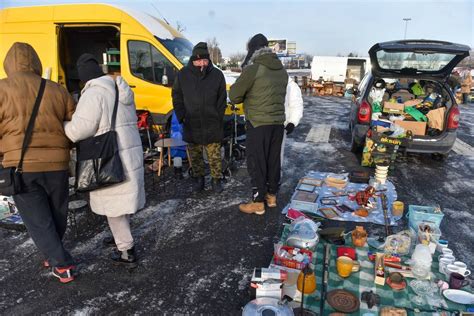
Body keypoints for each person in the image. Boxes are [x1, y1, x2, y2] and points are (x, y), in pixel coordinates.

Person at [0, 42, 76, 283]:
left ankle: (62, 265)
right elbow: (73, 124)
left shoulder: (1, 89)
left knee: (37, 219)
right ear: (36, 62)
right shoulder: (56, 89)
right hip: (57, 164)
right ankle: (53, 253)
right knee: (57, 213)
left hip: (20, 166)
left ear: (8, 64)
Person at [65, 53, 145, 268]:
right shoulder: (120, 88)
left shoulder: (94, 93)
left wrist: (64, 127)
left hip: (109, 156)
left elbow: (80, 129)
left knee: (114, 205)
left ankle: (126, 250)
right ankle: (120, 237)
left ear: (84, 77)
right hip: (126, 153)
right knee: (121, 202)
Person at [229, 34, 288, 215]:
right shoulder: (281, 69)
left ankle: (257, 201)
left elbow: (234, 96)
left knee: (257, 161)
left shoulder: (254, 68)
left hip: (257, 122)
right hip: (277, 123)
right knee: (273, 160)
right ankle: (271, 197)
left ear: (253, 49)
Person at [172, 42, 227, 193]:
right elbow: (176, 96)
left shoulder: (217, 75)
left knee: (214, 155)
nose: (201, 64)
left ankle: (216, 180)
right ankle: (199, 180)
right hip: (191, 122)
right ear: (192, 60)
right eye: (198, 61)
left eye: (204, 60)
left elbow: (222, 98)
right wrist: (181, 115)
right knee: (195, 155)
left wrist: (218, 115)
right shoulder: (183, 74)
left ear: (208, 60)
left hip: (212, 122)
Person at [281, 76, 304, 166]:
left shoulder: (291, 85)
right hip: (261, 124)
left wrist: (292, 122)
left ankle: (274, 178)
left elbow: (297, 105)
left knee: (276, 157)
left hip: (281, 126)